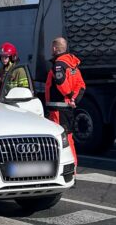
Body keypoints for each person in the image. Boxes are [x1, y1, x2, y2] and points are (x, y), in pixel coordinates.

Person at [45, 37, 85, 168]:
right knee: (69, 139)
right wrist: (74, 99)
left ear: (55, 48)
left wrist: (68, 95)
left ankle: (65, 169)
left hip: (58, 108)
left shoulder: (59, 64)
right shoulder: (72, 64)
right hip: (67, 108)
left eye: (52, 47)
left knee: (60, 140)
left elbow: (60, 82)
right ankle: (72, 169)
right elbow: (81, 85)